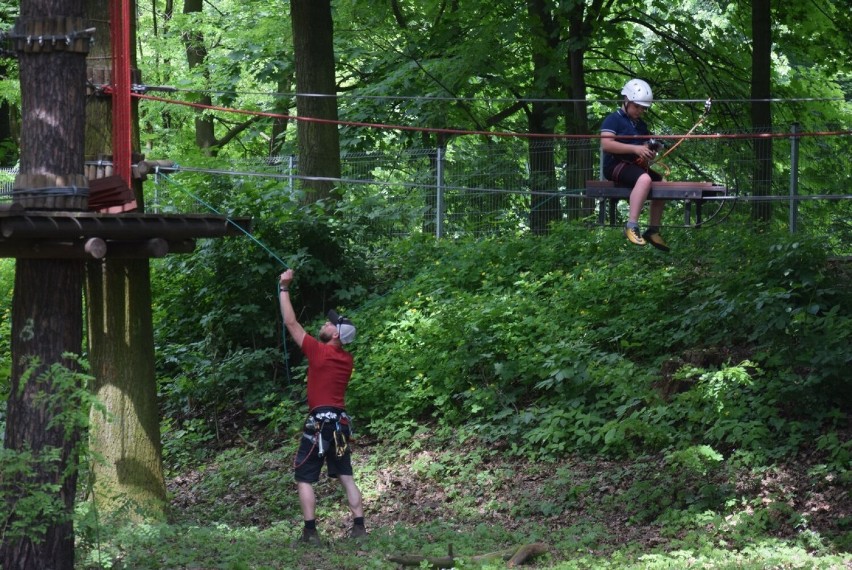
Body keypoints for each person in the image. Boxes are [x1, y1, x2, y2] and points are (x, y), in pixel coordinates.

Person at [278, 268, 366, 545]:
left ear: (336, 335)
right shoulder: (346, 359)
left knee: (304, 477)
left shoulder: (319, 351)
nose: (325, 324)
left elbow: (291, 323)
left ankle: (310, 533)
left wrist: (283, 287)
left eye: (330, 325)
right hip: (340, 424)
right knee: (346, 475)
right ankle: (360, 528)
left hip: (319, 424)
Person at [600, 78, 669, 252]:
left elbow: (643, 148)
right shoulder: (613, 120)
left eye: (643, 108)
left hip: (633, 166)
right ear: (626, 100)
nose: (640, 111)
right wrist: (636, 149)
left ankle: (653, 230)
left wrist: (649, 152)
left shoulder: (641, 125)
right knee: (645, 179)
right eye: (637, 106)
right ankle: (631, 225)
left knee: (661, 183)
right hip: (615, 165)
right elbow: (606, 145)